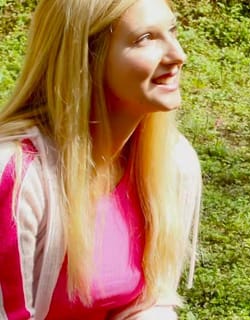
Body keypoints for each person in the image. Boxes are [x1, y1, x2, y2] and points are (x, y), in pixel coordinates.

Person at [0, 0, 202, 319]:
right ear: (86, 56)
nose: (178, 55)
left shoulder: (172, 163)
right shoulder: (17, 176)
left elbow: (150, 302)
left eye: (172, 31)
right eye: (145, 38)